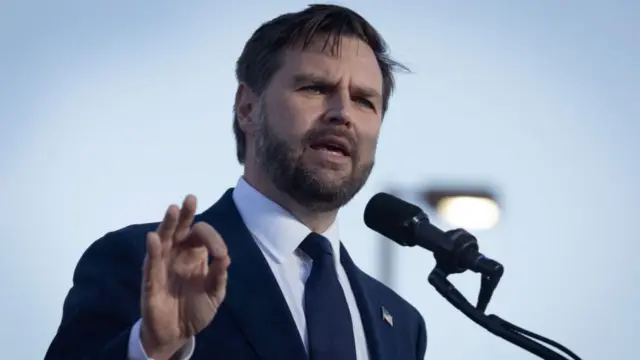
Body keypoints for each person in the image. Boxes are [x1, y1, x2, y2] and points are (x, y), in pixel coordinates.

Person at [45, 4, 427, 360]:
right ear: (247, 108)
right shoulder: (142, 265)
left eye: (364, 101)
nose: (342, 113)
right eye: (315, 88)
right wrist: (152, 348)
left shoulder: (401, 326)